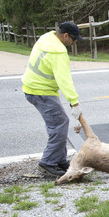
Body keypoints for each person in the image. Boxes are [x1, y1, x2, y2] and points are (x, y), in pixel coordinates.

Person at [22, 21, 83, 176]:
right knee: (59, 124)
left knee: (59, 123)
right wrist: (74, 102)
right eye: (73, 39)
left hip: (34, 88)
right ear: (65, 35)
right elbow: (64, 80)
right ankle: (48, 162)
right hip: (41, 91)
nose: (73, 43)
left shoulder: (47, 37)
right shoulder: (58, 52)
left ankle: (60, 160)